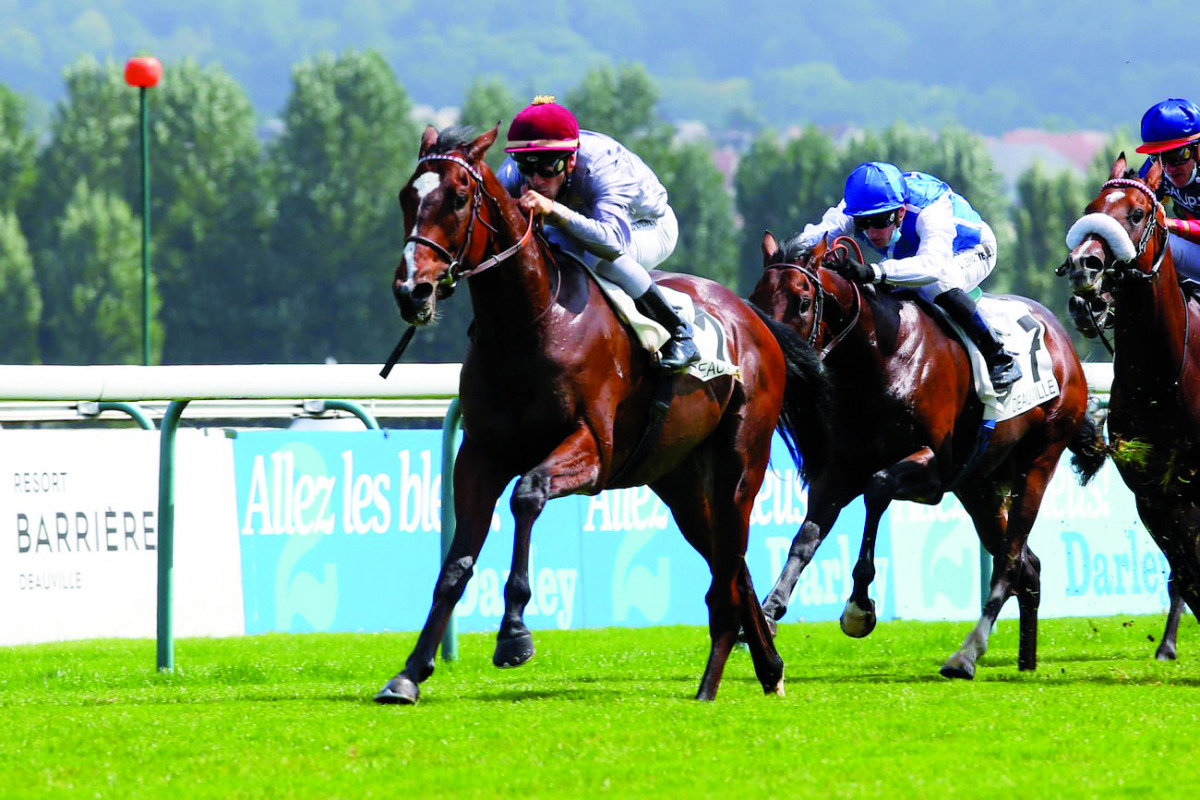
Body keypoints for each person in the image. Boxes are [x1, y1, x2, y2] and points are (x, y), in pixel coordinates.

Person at [496, 96, 699, 371]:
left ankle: (679, 330)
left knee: (599, 258)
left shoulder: (604, 165)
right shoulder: (513, 173)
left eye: (548, 168)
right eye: (527, 167)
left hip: (648, 226)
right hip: (586, 226)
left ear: (570, 160)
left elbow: (612, 242)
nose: (536, 180)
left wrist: (553, 210)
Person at [797, 161, 1022, 390]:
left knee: (936, 285)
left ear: (901, 212)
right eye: (863, 222)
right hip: (915, 253)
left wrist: (872, 271)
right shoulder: (857, 203)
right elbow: (816, 236)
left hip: (970, 249)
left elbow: (932, 266)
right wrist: (787, 255)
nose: (871, 232)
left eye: (880, 222)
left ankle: (999, 357)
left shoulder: (930, 210)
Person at [1136, 98, 1200, 278]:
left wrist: (1170, 223)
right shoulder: (1156, 168)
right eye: (1159, 158)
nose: (1169, 169)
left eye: (1177, 156)